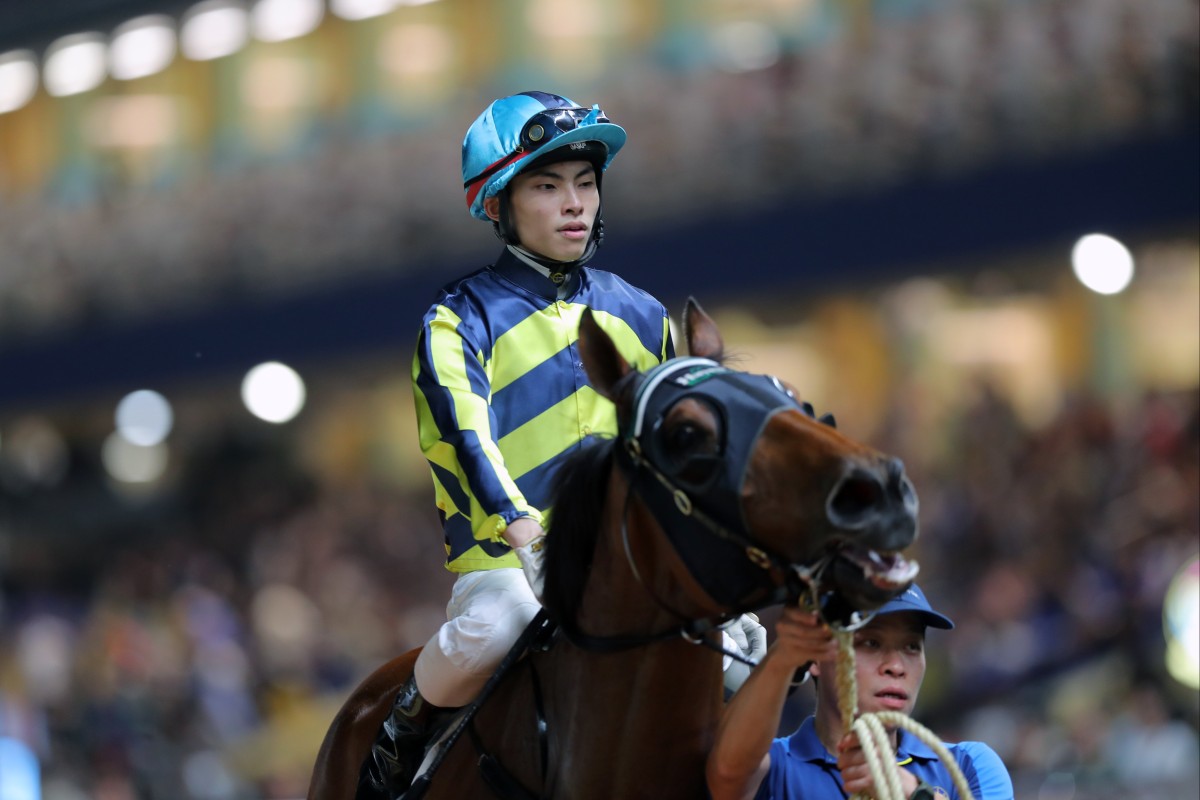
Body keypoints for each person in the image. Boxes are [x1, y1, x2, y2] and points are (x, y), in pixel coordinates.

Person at [363, 90, 763, 793]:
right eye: (547, 187)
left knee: (737, 656)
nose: (574, 203)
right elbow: (466, 436)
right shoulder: (456, 320)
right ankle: (404, 727)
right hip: (503, 562)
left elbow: (671, 457)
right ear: (498, 204)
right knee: (501, 624)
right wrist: (526, 537)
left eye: (585, 184)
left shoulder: (640, 313)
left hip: (622, 562)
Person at [707, 584, 1015, 800]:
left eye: (911, 646)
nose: (896, 665)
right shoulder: (772, 767)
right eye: (870, 643)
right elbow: (725, 772)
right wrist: (775, 665)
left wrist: (912, 794)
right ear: (814, 656)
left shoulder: (967, 764)